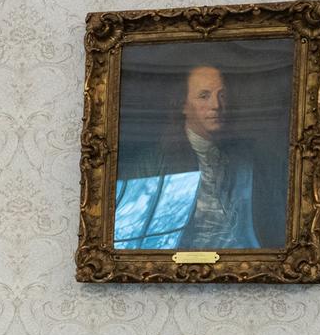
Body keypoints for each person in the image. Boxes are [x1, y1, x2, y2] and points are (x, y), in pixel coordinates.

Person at [113, 62, 284, 250]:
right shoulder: (155, 161)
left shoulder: (247, 159)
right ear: (184, 105)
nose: (216, 105)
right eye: (204, 96)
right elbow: (136, 232)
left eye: (222, 95)